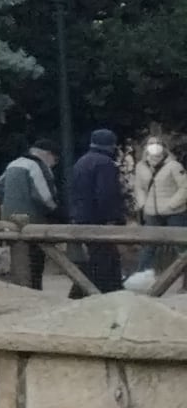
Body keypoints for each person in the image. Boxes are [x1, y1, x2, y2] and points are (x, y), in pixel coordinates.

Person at [68, 125, 129, 296]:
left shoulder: (81, 161)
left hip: (82, 216)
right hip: (99, 219)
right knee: (105, 258)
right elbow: (106, 193)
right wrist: (114, 218)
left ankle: (90, 291)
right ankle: (92, 292)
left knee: (100, 256)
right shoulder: (105, 163)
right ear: (112, 145)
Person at [0, 139, 59, 293]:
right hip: (32, 223)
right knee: (36, 262)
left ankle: (20, 292)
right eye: (55, 159)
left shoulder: (13, 164)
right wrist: (56, 211)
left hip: (9, 222)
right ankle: (35, 294)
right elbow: (45, 197)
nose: (54, 164)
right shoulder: (36, 166)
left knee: (18, 261)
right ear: (48, 154)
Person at [134, 127, 187, 292]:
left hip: (174, 212)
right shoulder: (141, 167)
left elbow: (184, 187)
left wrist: (171, 204)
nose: (153, 147)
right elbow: (139, 187)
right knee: (148, 247)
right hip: (152, 212)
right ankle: (141, 281)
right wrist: (143, 204)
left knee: (181, 247)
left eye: (157, 144)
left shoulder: (173, 165)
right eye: (150, 144)